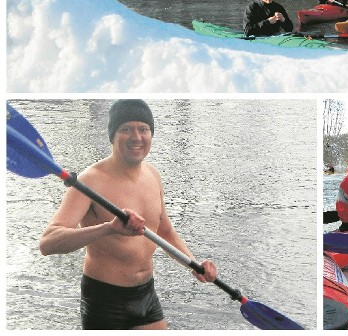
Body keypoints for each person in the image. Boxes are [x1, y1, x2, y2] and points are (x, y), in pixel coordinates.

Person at [39, 100, 218, 330]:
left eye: (143, 129)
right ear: (113, 136)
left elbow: (164, 230)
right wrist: (108, 228)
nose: (137, 137)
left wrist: (193, 264)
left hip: (146, 294)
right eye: (126, 129)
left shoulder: (152, 175)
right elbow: (48, 243)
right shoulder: (89, 181)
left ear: (151, 135)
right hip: (106, 301)